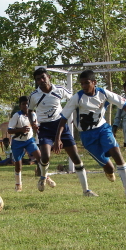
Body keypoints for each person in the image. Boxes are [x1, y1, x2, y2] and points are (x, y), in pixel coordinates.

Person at [53, 70, 126, 203]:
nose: (84, 86)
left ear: (94, 83)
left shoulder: (103, 93)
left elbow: (123, 104)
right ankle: (109, 170)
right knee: (109, 168)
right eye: (82, 83)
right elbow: (63, 119)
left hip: (102, 128)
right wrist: (57, 138)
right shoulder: (77, 98)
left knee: (117, 154)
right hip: (87, 136)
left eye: (87, 83)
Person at [29, 67, 97, 196]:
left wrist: (75, 116)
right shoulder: (34, 96)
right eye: (38, 79)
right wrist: (33, 122)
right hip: (44, 128)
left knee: (76, 158)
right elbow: (30, 110)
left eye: (43, 77)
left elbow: (74, 100)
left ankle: (86, 190)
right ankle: (43, 177)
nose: (42, 80)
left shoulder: (59, 90)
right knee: (45, 156)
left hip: (61, 126)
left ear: (49, 77)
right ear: (36, 82)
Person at [7, 96, 43, 192]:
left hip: (29, 140)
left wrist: (36, 127)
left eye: (27, 104)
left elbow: (36, 125)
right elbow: (9, 130)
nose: (26, 106)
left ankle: (45, 178)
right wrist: (21, 129)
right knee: (18, 165)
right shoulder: (17, 116)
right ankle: (18, 184)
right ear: (20, 106)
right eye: (23, 104)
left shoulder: (33, 115)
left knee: (40, 158)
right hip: (17, 142)